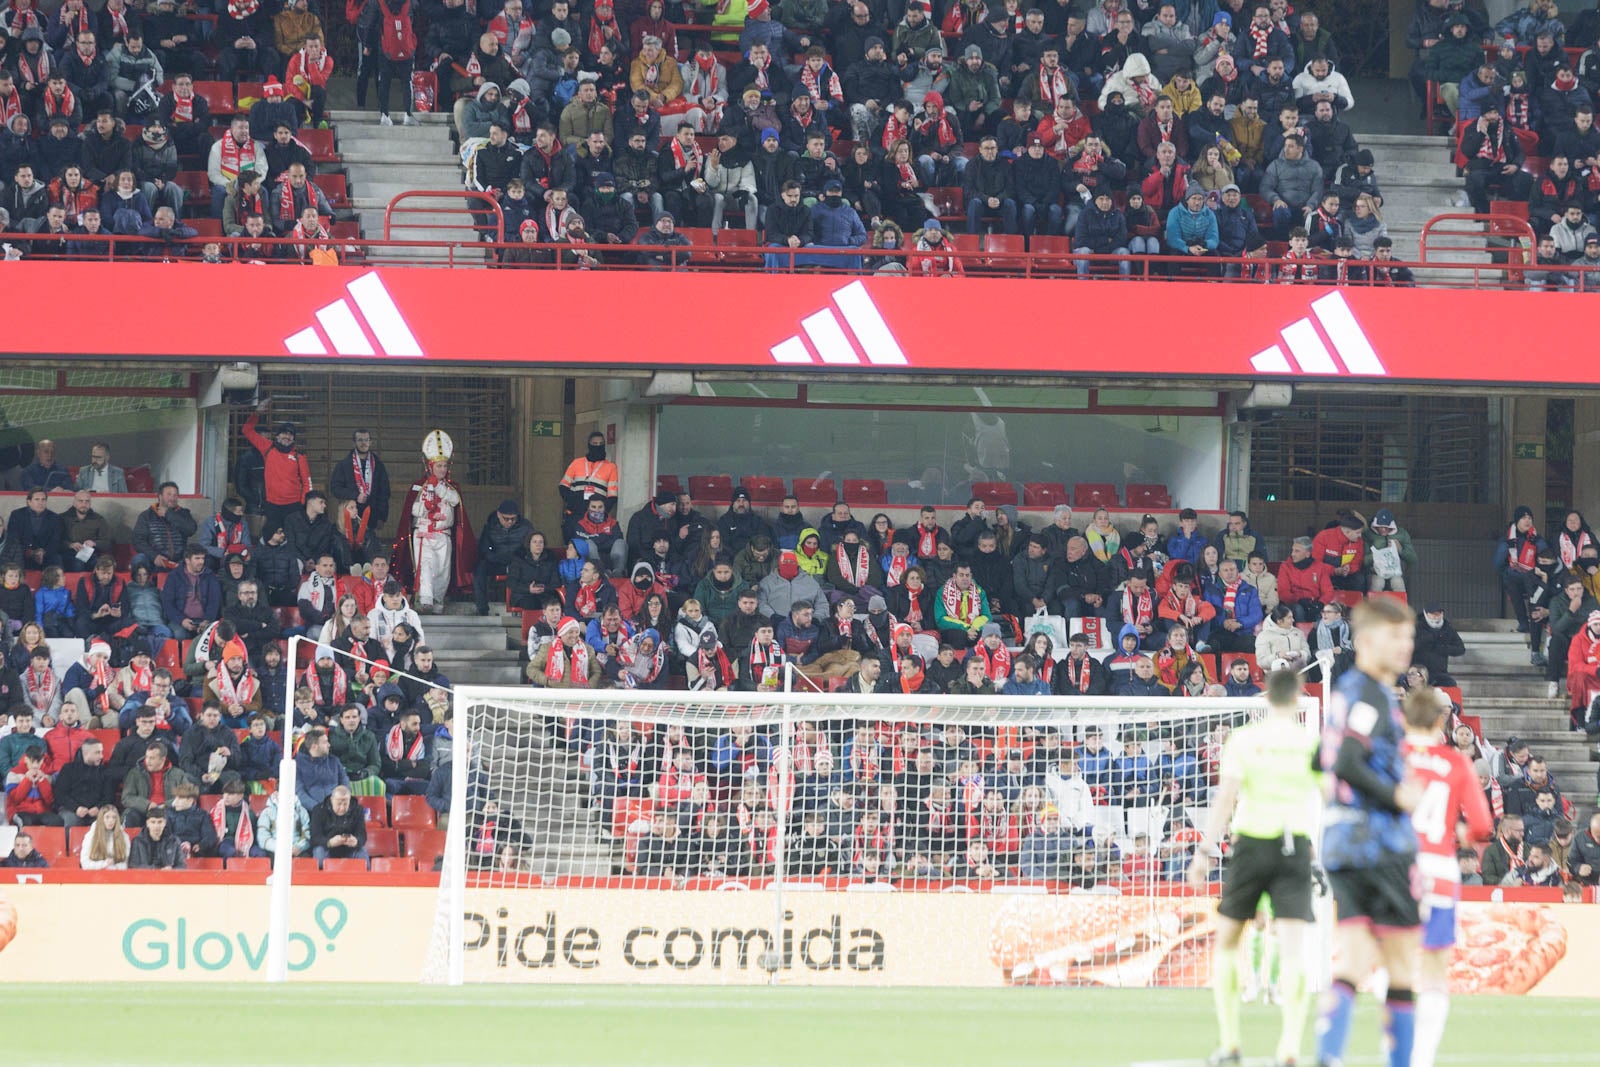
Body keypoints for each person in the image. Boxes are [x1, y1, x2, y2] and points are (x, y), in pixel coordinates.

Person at [1188, 670, 1319, 1066]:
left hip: (1251, 844)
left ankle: (1230, 1045)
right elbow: (1329, 798)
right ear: (1297, 698)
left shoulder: (1244, 738)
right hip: (1295, 845)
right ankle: (1290, 1049)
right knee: (1294, 949)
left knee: (1227, 941)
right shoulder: (1310, 741)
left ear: (1265, 698)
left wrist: (1205, 849)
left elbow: (1226, 797)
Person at [1315, 597, 1423, 1067]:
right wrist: (1396, 794)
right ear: (1363, 641)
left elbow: (1320, 758)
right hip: (1380, 842)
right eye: (1393, 636)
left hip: (1341, 842)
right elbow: (1346, 761)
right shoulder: (1372, 695)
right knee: (1402, 965)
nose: (1404, 647)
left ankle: (1328, 1055)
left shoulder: (1344, 693)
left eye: (1408, 637)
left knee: (1353, 961)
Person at [1399, 686, 1493, 1067]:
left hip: (1398, 869)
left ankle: (1397, 1053)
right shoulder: (1457, 763)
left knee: (1397, 960)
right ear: (1442, 721)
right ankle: (1423, 1058)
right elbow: (1484, 825)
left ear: (1404, 718)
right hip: (1439, 867)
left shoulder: (1394, 757)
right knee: (1435, 966)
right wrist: (1462, 833)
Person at [392, 430, 475, 614]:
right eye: (439, 466)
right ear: (431, 466)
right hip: (424, 534)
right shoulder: (419, 486)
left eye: (444, 466)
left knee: (443, 570)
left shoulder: (453, 487)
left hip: (443, 534)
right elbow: (411, 511)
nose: (442, 470)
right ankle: (425, 600)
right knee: (426, 566)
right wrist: (425, 506)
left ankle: (437, 601)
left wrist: (439, 488)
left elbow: (454, 501)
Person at [473, 499, 532, 616]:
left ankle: (520, 606)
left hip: (517, 562)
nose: (510, 522)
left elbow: (531, 547)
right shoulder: (490, 526)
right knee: (479, 569)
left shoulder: (526, 527)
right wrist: (495, 557)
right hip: (496, 561)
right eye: (506, 518)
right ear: (498, 515)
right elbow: (483, 549)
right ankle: (482, 608)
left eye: (513, 519)